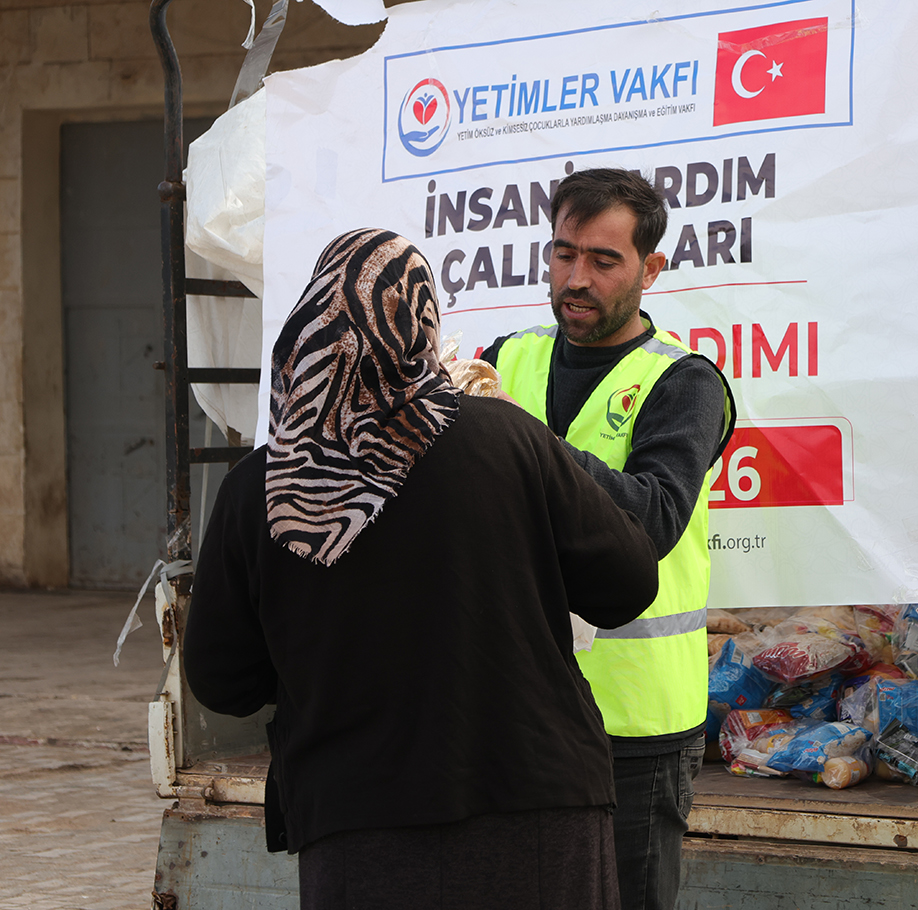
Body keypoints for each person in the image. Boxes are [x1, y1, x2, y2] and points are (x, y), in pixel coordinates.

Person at [183, 228, 659, 910]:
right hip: (539, 811)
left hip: (359, 826)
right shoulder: (508, 438)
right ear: (423, 325)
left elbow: (222, 678)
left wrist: (308, 656)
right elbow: (627, 584)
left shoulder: (260, 487)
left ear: (313, 326)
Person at [481, 168, 735, 910]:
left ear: (651, 269)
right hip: (516, 704)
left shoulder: (683, 382)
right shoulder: (504, 360)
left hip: (635, 725)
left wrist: (520, 439)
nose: (575, 279)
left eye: (602, 260)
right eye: (563, 254)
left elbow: (650, 521)